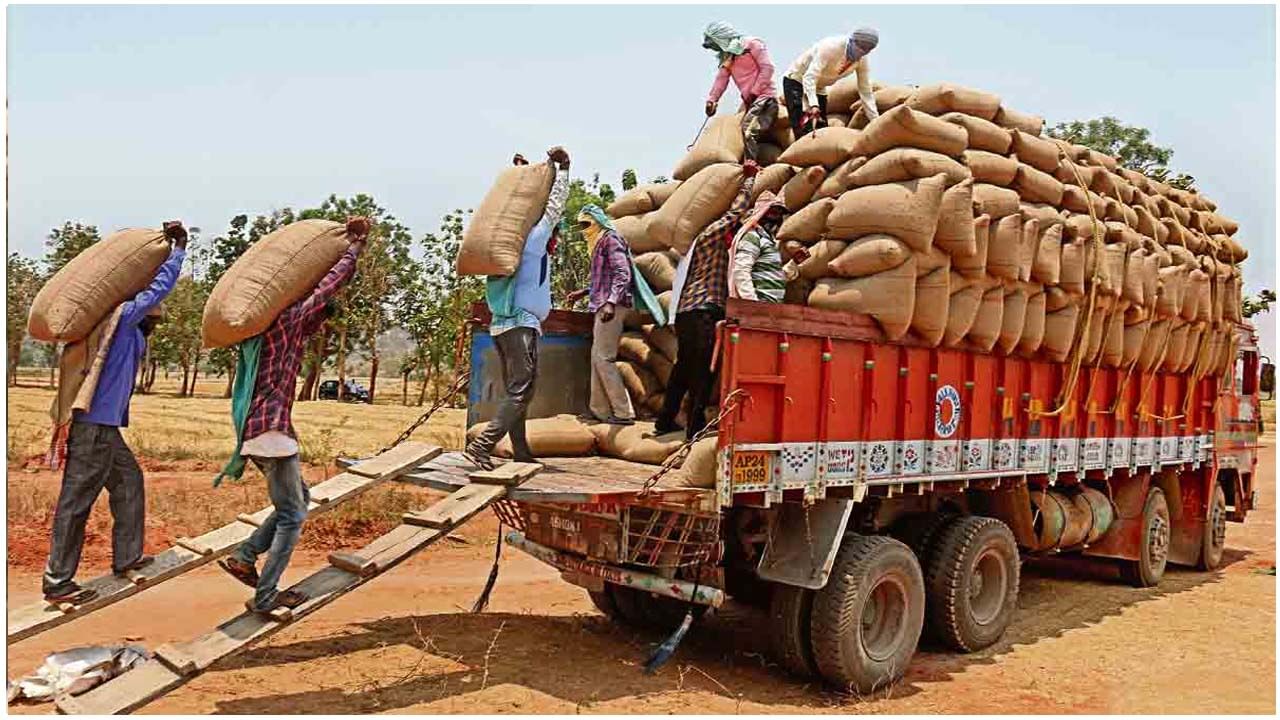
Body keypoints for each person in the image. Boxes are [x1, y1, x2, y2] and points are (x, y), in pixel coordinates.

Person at [216, 216, 370, 615]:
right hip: (271, 432)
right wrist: (353, 249)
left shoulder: (265, 333)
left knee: (297, 496)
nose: (318, 320)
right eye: (317, 315)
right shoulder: (284, 322)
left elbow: (319, 308)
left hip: (260, 431)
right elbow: (324, 291)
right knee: (293, 514)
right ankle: (266, 594)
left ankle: (245, 557)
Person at [41, 221, 189, 604]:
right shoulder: (122, 320)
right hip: (92, 428)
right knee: (76, 503)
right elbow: (159, 287)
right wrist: (179, 250)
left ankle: (128, 557)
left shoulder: (132, 335)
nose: (158, 320)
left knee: (129, 482)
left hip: (104, 428)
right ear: (144, 312)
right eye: (155, 315)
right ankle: (58, 582)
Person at [464, 146, 572, 470]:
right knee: (521, 391)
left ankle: (521, 449)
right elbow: (552, 209)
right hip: (520, 328)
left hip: (502, 327)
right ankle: (483, 446)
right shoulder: (533, 243)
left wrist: (522, 171)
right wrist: (564, 169)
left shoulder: (510, 249)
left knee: (519, 390)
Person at [657, 160, 760, 439]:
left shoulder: (695, 245)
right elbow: (736, 211)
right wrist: (749, 179)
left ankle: (665, 420)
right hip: (703, 311)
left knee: (684, 367)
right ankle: (695, 426)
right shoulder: (709, 235)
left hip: (686, 313)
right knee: (705, 370)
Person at [565, 204, 636, 426]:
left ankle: (623, 413)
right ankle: (600, 411)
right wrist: (584, 292)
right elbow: (602, 278)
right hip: (602, 304)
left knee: (604, 358)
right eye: (582, 225)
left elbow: (622, 273)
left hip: (611, 307)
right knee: (597, 357)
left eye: (587, 224)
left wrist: (611, 302)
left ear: (597, 221)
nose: (584, 228)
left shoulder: (610, 239)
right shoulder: (597, 243)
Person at [702, 21, 778, 164]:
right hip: (750, 101)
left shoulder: (752, 45)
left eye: (716, 45)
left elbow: (767, 68)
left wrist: (754, 92)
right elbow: (721, 79)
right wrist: (712, 100)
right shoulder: (728, 57)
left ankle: (750, 164)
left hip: (764, 98)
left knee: (748, 128)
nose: (716, 49)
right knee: (739, 134)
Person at [783, 28, 881, 138]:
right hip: (797, 81)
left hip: (819, 88)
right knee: (804, 125)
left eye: (868, 50)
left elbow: (866, 92)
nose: (863, 52)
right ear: (853, 40)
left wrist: (876, 121)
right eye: (861, 47)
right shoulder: (831, 47)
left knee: (821, 129)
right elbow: (810, 77)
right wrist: (814, 104)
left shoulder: (862, 61)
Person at [728, 191, 811, 303]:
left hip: (771, 307)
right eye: (772, 212)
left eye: (779, 213)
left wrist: (794, 263)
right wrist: (752, 302)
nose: (775, 217)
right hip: (758, 306)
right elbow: (741, 271)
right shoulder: (753, 237)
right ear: (762, 212)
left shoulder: (769, 241)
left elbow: (774, 277)